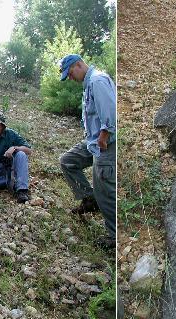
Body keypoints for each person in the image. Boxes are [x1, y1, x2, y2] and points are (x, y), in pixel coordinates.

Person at [58, 54, 116, 249]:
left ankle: (114, 237)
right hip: (93, 142)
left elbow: (110, 114)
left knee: (105, 190)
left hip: (105, 143)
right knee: (67, 160)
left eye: (71, 73)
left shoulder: (98, 81)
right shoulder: (88, 84)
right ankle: (89, 199)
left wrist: (103, 137)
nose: (71, 78)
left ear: (79, 64)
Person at [0, 110, 33, 203]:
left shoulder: (11, 134)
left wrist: (15, 148)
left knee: (21, 154)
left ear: (2, 127)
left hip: (8, 167)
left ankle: (22, 190)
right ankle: (8, 183)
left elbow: (29, 150)